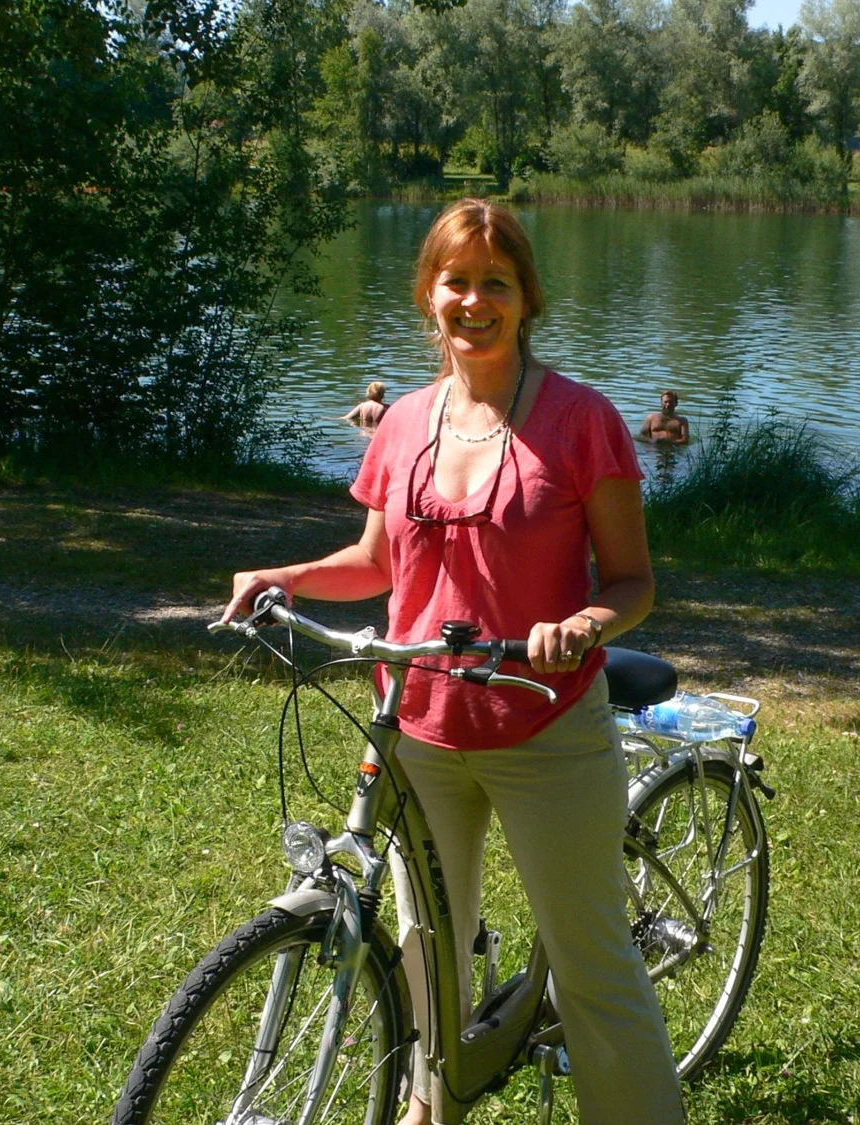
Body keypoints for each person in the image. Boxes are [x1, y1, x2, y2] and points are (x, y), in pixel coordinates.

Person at [220, 198, 684, 1125]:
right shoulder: (402, 425)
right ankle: (433, 1103)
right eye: (456, 281)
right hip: (421, 724)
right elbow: (379, 563)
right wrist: (288, 574)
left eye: (495, 283)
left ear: (526, 298)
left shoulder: (582, 420)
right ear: (430, 295)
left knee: (592, 970)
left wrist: (586, 623)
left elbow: (632, 582)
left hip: (543, 720)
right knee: (426, 955)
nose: (474, 300)